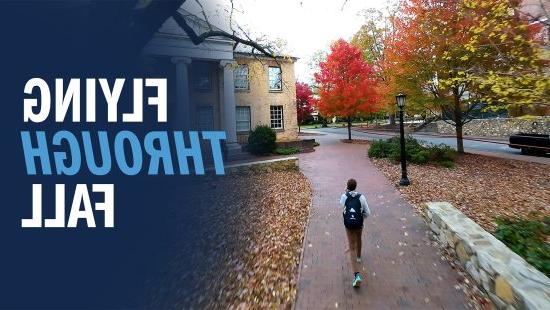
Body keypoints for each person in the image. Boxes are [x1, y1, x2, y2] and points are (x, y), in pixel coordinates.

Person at [339, 178, 370, 287]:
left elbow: (341, 206)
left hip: (348, 225)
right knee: (359, 238)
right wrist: (361, 218)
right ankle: (359, 256)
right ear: (356, 186)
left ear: (347, 186)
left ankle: (356, 275)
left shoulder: (344, 196)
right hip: (359, 224)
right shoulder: (361, 197)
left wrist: (345, 192)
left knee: (351, 246)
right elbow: (368, 212)